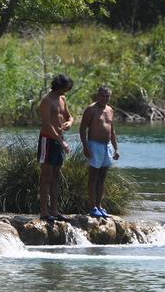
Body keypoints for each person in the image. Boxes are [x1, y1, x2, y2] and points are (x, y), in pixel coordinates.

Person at [78, 85, 120, 220]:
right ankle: (92, 207)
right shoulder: (91, 110)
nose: (105, 98)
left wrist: (116, 148)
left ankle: (99, 205)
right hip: (94, 145)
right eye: (102, 96)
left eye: (107, 96)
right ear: (98, 96)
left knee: (102, 178)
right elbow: (82, 129)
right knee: (93, 177)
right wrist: (85, 146)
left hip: (106, 146)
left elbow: (112, 130)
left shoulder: (110, 110)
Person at [37, 74, 74, 222]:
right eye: (65, 88)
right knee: (45, 177)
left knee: (56, 177)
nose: (66, 91)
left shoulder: (62, 99)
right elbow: (46, 124)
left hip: (59, 141)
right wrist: (61, 141)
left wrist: (69, 123)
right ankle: (44, 212)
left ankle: (54, 210)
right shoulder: (46, 101)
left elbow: (69, 117)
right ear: (58, 86)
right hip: (48, 140)